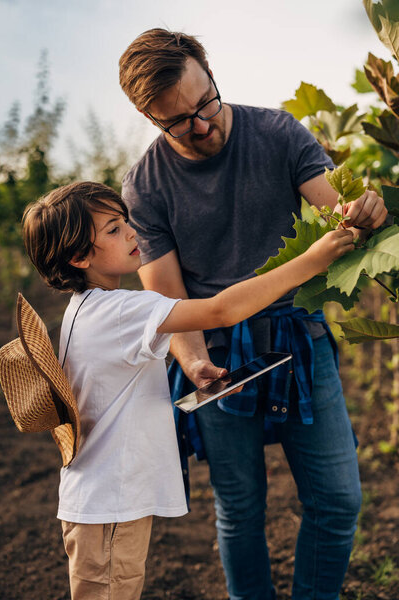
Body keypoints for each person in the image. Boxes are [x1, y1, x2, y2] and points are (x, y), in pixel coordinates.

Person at [118, 29, 388, 600]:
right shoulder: (145, 186)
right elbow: (169, 304)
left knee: (338, 500)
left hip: (299, 337)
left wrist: (362, 212)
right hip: (217, 354)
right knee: (240, 507)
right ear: (149, 117)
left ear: (211, 76)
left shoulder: (278, 132)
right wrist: (193, 364)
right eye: (179, 121)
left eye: (206, 103)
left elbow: (335, 212)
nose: (203, 124)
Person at [21, 181, 353, 600]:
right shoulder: (120, 310)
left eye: (125, 221)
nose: (130, 232)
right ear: (78, 255)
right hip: (110, 504)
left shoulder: (88, 308)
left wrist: (195, 366)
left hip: (103, 501)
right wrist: (311, 260)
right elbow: (221, 310)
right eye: (111, 229)